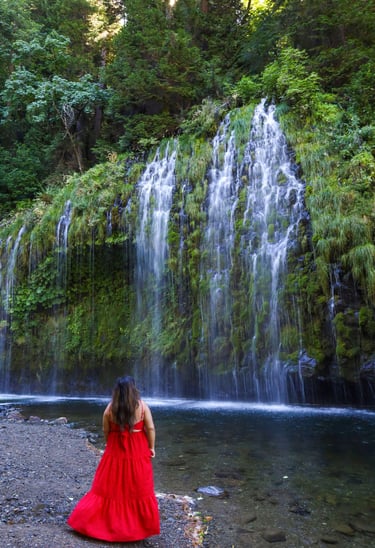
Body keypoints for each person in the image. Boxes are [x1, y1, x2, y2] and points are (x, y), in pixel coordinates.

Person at [67, 376, 160, 542]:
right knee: (138, 486)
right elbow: (150, 427)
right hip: (138, 450)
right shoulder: (142, 406)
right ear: (133, 390)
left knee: (109, 487)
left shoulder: (110, 408)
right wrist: (151, 447)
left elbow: (106, 430)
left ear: (117, 391)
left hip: (115, 450)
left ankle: (100, 525)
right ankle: (136, 528)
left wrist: (110, 444)